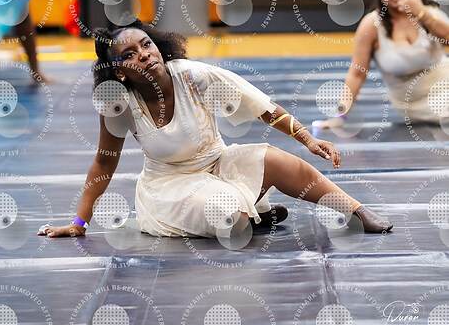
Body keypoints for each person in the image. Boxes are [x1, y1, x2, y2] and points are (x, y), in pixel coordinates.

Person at [38, 20, 393, 240]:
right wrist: (79, 222)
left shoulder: (194, 76)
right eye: (129, 54)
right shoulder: (118, 104)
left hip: (217, 162)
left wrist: (308, 138)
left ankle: (356, 210)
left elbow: (262, 106)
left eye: (146, 44)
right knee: (232, 220)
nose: (144, 54)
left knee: (276, 159)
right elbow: (104, 163)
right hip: (170, 186)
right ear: (119, 72)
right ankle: (253, 211)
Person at [317, 0, 449, 129]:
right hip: (418, 103)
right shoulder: (372, 25)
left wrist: (421, 13)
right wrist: (340, 116)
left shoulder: (430, 13)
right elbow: (357, 74)